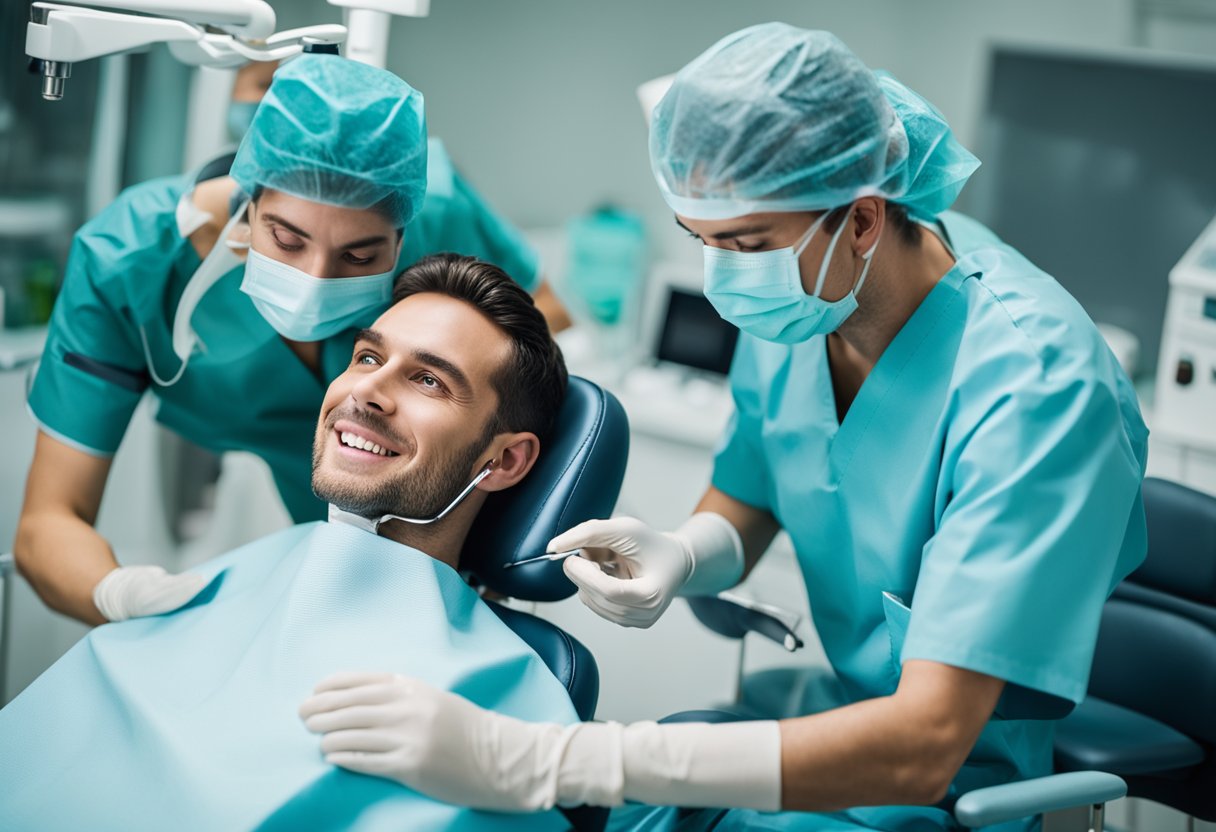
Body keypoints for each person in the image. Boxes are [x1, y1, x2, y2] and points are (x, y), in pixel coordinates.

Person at [300, 24, 1150, 831]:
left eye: (743, 243)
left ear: (861, 218)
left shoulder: (1036, 390)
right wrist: (684, 553)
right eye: (699, 239)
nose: (722, 281)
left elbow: (927, 743)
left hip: (941, 788)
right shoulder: (810, 300)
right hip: (810, 730)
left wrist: (558, 756)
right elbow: (755, 488)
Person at [0, 254, 576, 831]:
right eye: (368, 357)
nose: (367, 390)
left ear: (503, 460)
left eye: (429, 380)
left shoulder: (502, 712)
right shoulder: (242, 576)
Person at [15, 54, 567, 628]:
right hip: (321, 470)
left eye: (361, 256)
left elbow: (539, 326)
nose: (316, 280)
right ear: (247, 207)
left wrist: (481, 493)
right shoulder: (129, 261)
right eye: (285, 239)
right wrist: (123, 600)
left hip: (403, 487)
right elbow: (48, 523)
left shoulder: (441, 215)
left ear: (404, 238)